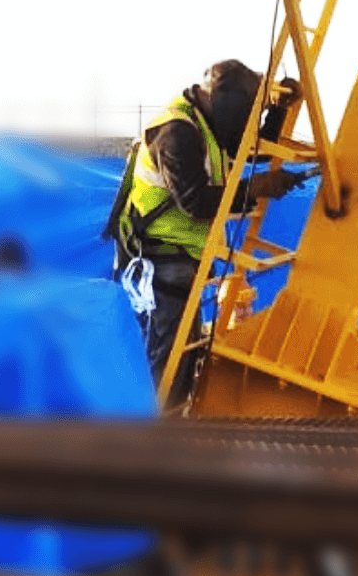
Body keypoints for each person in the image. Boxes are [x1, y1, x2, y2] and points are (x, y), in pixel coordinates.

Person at [112, 60, 301, 390]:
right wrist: (253, 188)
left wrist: (278, 111)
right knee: (166, 363)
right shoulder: (177, 132)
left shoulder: (209, 124)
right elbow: (195, 202)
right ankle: (155, 420)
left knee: (183, 355)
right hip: (160, 259)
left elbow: (251, 148)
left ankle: (171, 412)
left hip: (184, 258)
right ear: (222, 103)